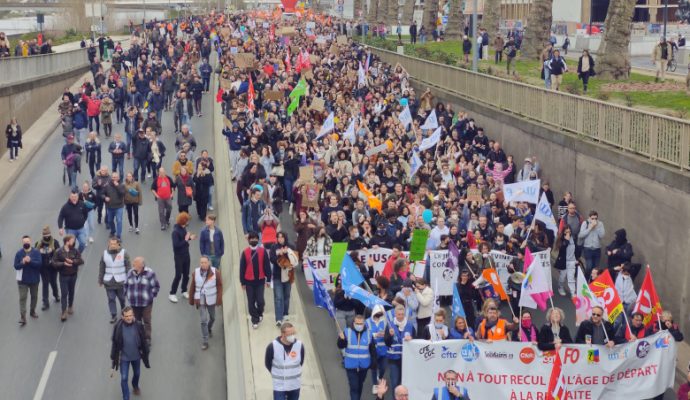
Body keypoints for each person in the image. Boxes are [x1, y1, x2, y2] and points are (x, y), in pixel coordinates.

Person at [110, 306, 150, 400]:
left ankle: (135, 385)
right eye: (127, 316)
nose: (129, 318)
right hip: (124, 358)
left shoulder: (139, 325)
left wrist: (146, 352)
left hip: (136, 357)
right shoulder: (118, 327)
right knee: (124, 378)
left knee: (137, 374)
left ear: (133, 315)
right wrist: (113, 363)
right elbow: (115, 344)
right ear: (122, 317)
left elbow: (143, 341)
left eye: (131, 315)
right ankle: (126, 397)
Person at [338, 314, 377, 400]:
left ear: (364, 324)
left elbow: (372, 349)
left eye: (361, 324)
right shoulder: (347, 332)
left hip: (364, 366)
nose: (359, 325)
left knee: (360, 385)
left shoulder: (369, 334)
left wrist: (373, 362)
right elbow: (340, 346)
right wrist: (342, 339)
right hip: (351, 365)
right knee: (354, 387)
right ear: (354, 323)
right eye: (357, 323)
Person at [188, 256, 223, 350]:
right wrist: (191, 299)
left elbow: (219, 285)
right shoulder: (195, 273)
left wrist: (219, 299)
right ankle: (205, 340)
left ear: (208, 263)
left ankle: (209, 327)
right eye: (201, 262)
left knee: (213, 317)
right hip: (201, 299)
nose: (203, 264)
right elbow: (193, 286)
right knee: (203, 320)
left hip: (211, 299)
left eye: (205, 262)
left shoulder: (215, 272)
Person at [124, 257, 160, 346]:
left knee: (147, 320)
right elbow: (126, 285)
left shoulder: (150, 273)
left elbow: (156, 286)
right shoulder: (130, 273)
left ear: (142, 265)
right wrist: (127, 295)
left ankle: (147, 338)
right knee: (136, 321)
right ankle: (138, 337)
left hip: (146, 303)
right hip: (134, 303)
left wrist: (151, 296)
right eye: (133, 262)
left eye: (135, 263)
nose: (133, 264)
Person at [240, 232, 272, 329]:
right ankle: (254, 319)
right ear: (248, 240)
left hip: (260, 280)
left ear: (258, 240)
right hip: (249, 281)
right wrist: (242, 282)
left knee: (260, 301)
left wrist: (268, 279)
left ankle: (259, 313)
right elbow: (242, 268)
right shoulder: (245, 252)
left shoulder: (262, 251)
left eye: (255, 238)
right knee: (251, 301)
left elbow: (267, 266)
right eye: (251, 238)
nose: (253, 240)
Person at [265, 322, 304, 400]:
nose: (292, 336)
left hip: (294, 385)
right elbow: (268, 364)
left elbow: (301, 362)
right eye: (290, 334)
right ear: (282, 334)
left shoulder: (299, 345)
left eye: (293, 333)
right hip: (279, 386)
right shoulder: (273, 346)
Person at [51, 234, 84, 321]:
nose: (74, 242)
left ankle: (70, 306)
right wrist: (63, 264)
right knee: (64, 293)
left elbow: (81, 260)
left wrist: (73, 261)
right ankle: (64, 312)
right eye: (72, 241)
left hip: (73, 275)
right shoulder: (58, 251)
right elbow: (54, 263)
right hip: (63, 276)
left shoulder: (75, 251)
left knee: (71, 291)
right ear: (67, 242)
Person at [98, 237, 131, 323]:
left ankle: (123, 310)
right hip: (109, 282)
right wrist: (100, 280)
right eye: (111, 244)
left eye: (114, 244)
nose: (112, 245)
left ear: (118, 244)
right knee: (111, 299)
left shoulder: (124, 253)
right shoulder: (104, 254)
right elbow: (102, 267)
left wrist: (129, 279)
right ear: (109, 244)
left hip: (121, 282)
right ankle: (113, 315)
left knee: (122, 298)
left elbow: (128, 266)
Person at [269, 232, 297, 326]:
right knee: (278, 297)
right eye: (278, 237)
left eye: (282, 237)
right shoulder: (274, 247)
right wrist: (279, 254)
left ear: (285, 237)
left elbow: (295, 259)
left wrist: (287, 253)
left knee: (286, 295)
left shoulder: (291, 246)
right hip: (277, 275)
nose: (280, 239)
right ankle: (278, 318)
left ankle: (285, 313)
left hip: (288, 274)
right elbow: (272, 259)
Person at [385, 305, 415, 389]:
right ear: (395, 314)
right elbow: (386, 342)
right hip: (393, 358)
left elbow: (416, 340)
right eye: (399, 314)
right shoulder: (390, 325)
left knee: (404, 383)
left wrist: (411, 339)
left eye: (402, 314)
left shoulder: (410, 325)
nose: (401, 316)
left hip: (406, 359)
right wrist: (390, 336)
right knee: (395, 383)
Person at [14, 235, 42, 325]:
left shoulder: (36, 252)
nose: (26, 243)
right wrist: (23, 262)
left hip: (34, 279)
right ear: (22, 243)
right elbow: (16, 266)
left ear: (30, 242)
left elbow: (39, 265)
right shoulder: (18, 253)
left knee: (34, 296)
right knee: (22, 298)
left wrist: (30, 261)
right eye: (24, 241)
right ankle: (23, 316)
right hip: (22, 281)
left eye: (27, 241)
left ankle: (32, 311)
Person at [169, 212, 195, 303]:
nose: (188, 223)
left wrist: (189, 238)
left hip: (186, 255)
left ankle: (184, 290)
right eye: (187, 221)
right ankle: (172, 293)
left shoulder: (183, 228)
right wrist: (187, 239)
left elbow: (185, 240)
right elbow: (176, 245)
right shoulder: (175, 232)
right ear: (184, 221)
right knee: (178, 275)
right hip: (179, 256)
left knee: (186, 274)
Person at [35, 226, 60, 310]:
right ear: (43, 235)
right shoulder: (38, 244)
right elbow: (35, 255)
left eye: (48, 234)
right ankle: (45, 302)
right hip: (43, 268)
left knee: (53, 282)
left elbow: (59, 253)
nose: (47, 236)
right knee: (45, 285)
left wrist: (54, 260)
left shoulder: (55, 242)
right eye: (45, 234)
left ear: (50, 234)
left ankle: (56, 295)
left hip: (53, 267)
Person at [366, 305, 389, 395]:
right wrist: (375, 335)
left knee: (383, 367)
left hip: (384, 350)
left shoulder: (385, 321)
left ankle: (380, 377)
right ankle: (375, 384)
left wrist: (385, 334)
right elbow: (366, 334)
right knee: (374, 367)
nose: (379, 316)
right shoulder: (367, 322)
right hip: (373, 350)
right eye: (377, 314)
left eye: (380, 314)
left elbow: (389, 333)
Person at [578, 211, 605, 275]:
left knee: (595, 268)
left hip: (597, 248)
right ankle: (586, 279)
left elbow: (602, 236)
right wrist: (590, 228)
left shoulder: (600, 224)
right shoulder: (585, 223)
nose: (594, 220)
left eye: (596, 218)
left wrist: (596, 227)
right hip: (588, 248)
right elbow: (581, 235)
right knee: (589, 266)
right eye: (592, 218)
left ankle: (592, 281)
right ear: (589, 218)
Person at [554, 226, 577, 297]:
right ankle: (560, 287)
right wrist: (566, 240)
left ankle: (573, 293)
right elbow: (562, 249)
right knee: (562, 277)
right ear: (564, 232)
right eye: (566, 232)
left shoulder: (573, 239)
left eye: (569, 232)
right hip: (564, 262)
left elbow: (576, 249)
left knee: (571, 278)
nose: (568, 233)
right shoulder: (561, 239)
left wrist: (576, 259)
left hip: (572, 261)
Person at [103, 171, 126, 239]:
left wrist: (117, 186)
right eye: (113, 177)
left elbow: (123, 193)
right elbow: (102, 194)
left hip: (119, 206)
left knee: (119, 221)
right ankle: (113, 231)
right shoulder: (107, 185)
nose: (114, 178)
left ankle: (118, 236)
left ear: (118, 178)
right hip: (110, 207)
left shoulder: (121, 185)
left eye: (116, 177)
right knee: (110, 221)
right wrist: (105, 197)